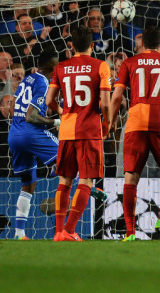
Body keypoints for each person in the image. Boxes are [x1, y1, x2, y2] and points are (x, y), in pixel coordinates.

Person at [110, 25, 160, 242]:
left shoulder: (129, 62)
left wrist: (111, 122)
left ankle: (130, 232)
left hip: (136, 122)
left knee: (131, 177)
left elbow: (116, 98)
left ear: (142, 44)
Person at [46, 26, 112, 241]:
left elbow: (49, 101)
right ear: (92, 46)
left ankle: (58, 232)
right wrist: (107, 123)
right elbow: (104, 102)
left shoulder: (61, 67)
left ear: (71, 45)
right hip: (89, 129)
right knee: (86, 181)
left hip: (66, 129)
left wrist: (62, 113)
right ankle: (70, 230)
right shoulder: (101, 66)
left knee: (64, 181)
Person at [7, 51, 60, 240]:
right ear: (53, 67)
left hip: (14, 133)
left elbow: (16, 108)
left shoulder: (28, 79)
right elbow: (32, 116)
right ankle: (89, 190)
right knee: (67, 155)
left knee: (28, 184)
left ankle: (19, 233)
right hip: (30, 132)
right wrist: (55, 122)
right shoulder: (43, 82)